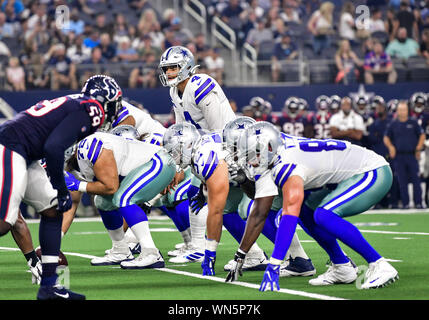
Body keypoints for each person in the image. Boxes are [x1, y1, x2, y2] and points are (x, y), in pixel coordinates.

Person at [230, 121, 398, 291]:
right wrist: (241, 255)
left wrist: (274, 264)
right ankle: (342, 266)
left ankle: (379, 264)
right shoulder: (275, 147)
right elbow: (259, 211)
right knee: (305, 211)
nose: (251, 162)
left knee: (323, 215)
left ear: (269, 148)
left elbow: (289, 218)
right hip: (341, 178)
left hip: (372, 171)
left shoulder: (286, 165)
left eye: (253, 155)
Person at [0, 74, 123, 299]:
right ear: (105, 100)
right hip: (10, 146)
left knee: (53, 209)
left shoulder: (79, 102)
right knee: (4, 223)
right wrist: (61, 187)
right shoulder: (92, 110)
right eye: (114, 103)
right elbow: (54, 147)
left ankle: (49, 286)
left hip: (24, 151)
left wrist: (59, 191)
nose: (115, 109)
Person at [158, 45, 236, 262]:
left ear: (187, 66)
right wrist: (177, 165)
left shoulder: (201, 84)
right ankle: (253, 255)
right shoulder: (175, 91)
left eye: (173, 68)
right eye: (166, 69)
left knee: (233, 205)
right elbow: (182, 132)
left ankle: (199, 247)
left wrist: (199, 160)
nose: (169, 73)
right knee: (209, 200)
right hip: (204, 151)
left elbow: (218, 130)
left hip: (227, 148)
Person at [64, 128, 176, 269]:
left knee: (124, 198)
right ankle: (120, 250)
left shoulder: (89, 146)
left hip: (159, 162)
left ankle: (151, 253)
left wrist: (78, 185)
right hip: (145, 168)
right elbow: (75, 200)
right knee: (102, 202)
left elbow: (111, 187)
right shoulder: (78, 160)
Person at [384, 101, 425, 209]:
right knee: (402, 181)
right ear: (397, 111)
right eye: (400, 110)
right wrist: (391, 147)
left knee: (416, 180)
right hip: (399, 156)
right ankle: (405, 203)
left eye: (404, 110)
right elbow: (386, 137)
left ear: (408, 111)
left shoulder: (413, 122)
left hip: (411, 155)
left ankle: (419, 202)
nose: (402, 112)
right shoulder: (393, 124)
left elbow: (422, 135)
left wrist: (418, 148)